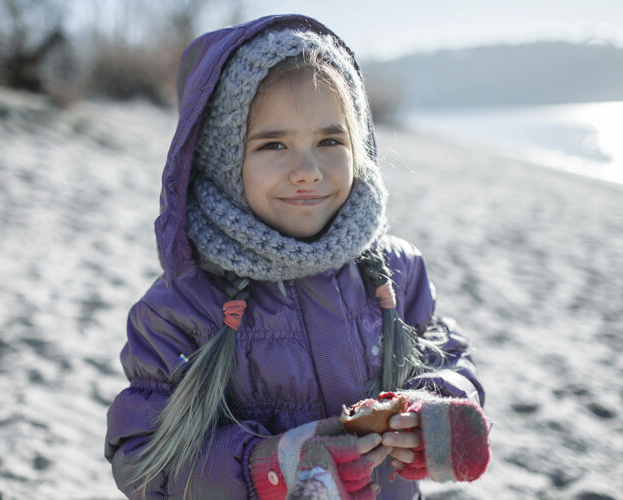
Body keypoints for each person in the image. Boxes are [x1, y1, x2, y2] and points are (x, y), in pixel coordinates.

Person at [105, 14, 490, 500]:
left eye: (330, 141)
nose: (307, 171)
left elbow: (446, 352)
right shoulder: (183, 306)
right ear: (222, 160)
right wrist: (271, 467)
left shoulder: (395, 271)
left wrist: (433, 407)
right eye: (273, 145)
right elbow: (141, 455)